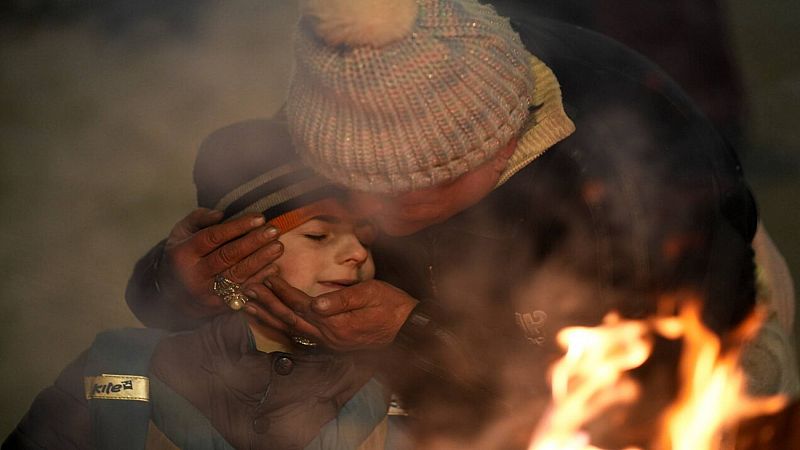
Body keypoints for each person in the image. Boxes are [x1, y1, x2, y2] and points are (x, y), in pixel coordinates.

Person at [125, 0, 798, 447]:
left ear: (497, 148)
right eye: (347, 182)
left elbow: (659, 397)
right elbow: (197, 314)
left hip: (692, 341)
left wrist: (413, 332)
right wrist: (184, 284)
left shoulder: (639, 181)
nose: (367, 217)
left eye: (404, 194)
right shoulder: (347, 98)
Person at [4, 118, 400, 450]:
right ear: (235, 247)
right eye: (318, 235)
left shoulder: (397, 390)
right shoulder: (116, 370)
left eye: (367, 239)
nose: (359, 254)